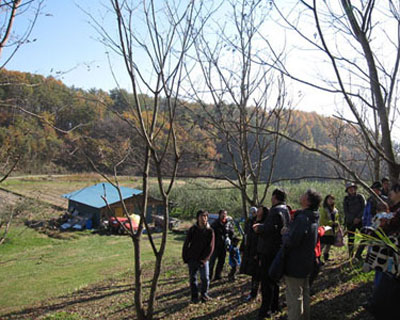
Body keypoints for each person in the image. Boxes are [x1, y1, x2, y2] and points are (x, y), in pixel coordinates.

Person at [282, 189, 321, 320]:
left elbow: (292, 241)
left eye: (304, 194)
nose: (301, 195)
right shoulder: (313, 216)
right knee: (304, 294)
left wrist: (285, 234)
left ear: (307, 201)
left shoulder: (302, 218)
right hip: (306, 261)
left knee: (294, 298)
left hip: (295, 262)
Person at [253, 189, 290, 319]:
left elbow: (271, 228)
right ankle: (274, 306)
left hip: (268, 250)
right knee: (275, 280)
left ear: (274, 197)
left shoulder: (275, 211)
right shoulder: (286, 210)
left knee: (266, 282)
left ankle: (265, 310)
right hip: (279, 249)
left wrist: (259, 228)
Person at [182, 210, 215, 303]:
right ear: (198, 217)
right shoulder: (192, 229)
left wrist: (204, 260)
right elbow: (186, 243)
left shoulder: (210, 231)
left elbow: (211, 247)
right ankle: (194, 297)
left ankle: (204, 295)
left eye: (205, 216)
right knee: (193, 279)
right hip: (192, 258)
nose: (203, 218)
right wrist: (185, 256)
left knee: (205, 278)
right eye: (201, 216)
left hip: (203, 260)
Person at [240, 206, 267, 301]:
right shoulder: (250, 222)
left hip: (259, 253)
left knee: (258, 275)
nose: (256, 212)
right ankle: (253, 293)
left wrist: (258, 253)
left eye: (259, 210)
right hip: (250, 251)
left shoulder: (264, 224)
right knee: (254, 274)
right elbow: (246, 236)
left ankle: (256, 293)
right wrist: (242, 248)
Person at [356, 182, 383, 259]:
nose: (374, 191)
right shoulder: (370, 199)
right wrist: (364, 222)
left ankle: (371, 256)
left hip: (379, 222)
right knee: (365, 239)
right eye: (373, 189)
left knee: (376, 241)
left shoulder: (383, 199)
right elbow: (366, 211)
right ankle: (358, 255)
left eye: (376, 189)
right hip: (369, 222)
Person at [209, 209, 234, 281]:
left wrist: (231, 239)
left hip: (224, 246)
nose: (224, 215)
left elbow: (231, 233)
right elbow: (210, 235)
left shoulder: (228, 224)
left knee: (221, 261)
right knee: (212, 261)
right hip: (215, 246)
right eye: (223, 214)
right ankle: (209, 276)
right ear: (219, 215)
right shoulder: (215, 224)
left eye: (225, 214)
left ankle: (217, 275)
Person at [343, 182, 366, 258]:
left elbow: (364, 208)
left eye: (353, 188)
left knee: (365, 237)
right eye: (350, 189)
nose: (352, 190)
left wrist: (358, 218)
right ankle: (350, 255)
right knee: (351, 239)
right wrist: (353, 219)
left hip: (360, 221)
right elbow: (346, 211)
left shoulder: (360, 197)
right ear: (347, 190)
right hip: (350, 222)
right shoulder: (346, 199)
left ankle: (359, 254)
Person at [320, 194, 339, 262]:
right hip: (325, 229)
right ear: (326, 200)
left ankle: (326, 257)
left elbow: (337, 218)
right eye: (329, 199)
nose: (331, 201)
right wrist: (332, 223)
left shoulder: (335, 210)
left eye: (332, 199)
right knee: (322, 244)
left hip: (332, 230)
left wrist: (336, 223)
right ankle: (317, 258)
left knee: (329, 244)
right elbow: (322, 220)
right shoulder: (323, 209)